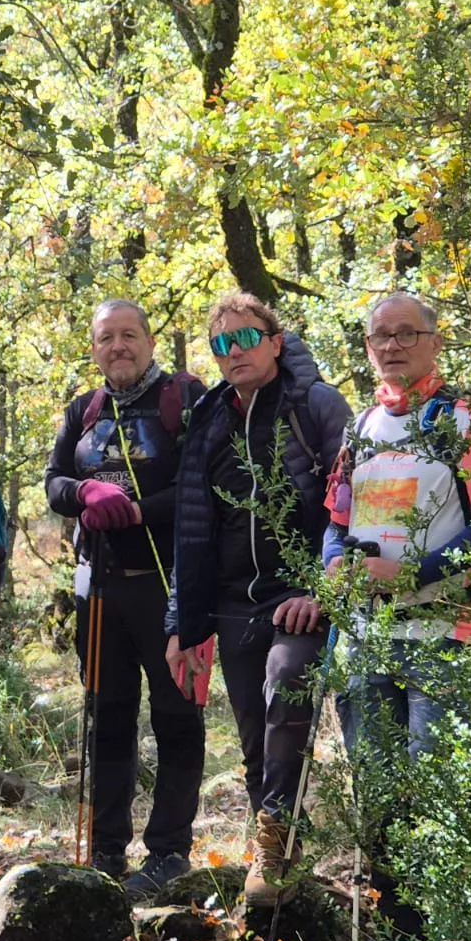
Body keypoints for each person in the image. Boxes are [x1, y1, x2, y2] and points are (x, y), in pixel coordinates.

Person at [323, 293, 471, 935]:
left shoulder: (467, 417)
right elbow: (337, 520)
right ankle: (399, 939)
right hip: (368, 637)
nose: (392, 345)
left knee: (440, 794)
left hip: (448, 636)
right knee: (378, 796)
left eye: (407, 334)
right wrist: (335, 566)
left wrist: (410, 574)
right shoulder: (358, 429)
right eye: (380, 335)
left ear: (435, 341)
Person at [165, 292, 351, 907]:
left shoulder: (315, 405)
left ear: (275, 341)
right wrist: (182, 623)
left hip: (299, 595)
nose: (233, 352)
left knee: (285, 689)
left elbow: (348, 503)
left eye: (246, 338)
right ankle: (276, 855)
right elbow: (190, 527)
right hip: (231, 602)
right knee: (252, 737)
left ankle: (275, 841)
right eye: (221, 344)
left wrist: (320, 588)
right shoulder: (211, 417)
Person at [44, 298, 207, 898]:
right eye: (106, 338)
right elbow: (53, 484)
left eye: (129, 335)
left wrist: (139, 510)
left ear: (149, 340)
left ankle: (168, 851)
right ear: (94, 347)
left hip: (170, 590)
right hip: (101, 592)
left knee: (177, 719)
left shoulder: (183, 401)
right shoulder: (83, 411)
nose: (119, 346)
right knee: (107, 718)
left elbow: (203, 486)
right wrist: (85, 490)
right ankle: (107, 849)